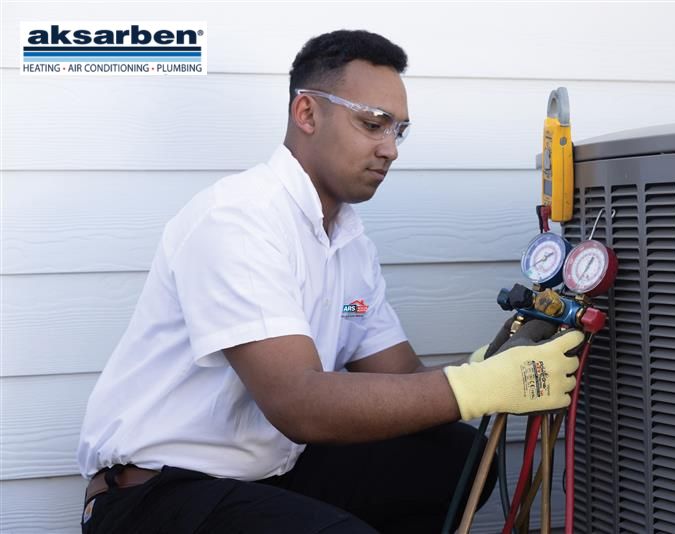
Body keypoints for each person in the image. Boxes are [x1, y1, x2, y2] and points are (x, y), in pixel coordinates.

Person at [77, 29, 584, 533]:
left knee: (455, 459)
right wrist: (478, 387)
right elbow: (299, 404)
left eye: (398, 131)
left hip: (269, 473)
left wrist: (491, 362)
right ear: (307, 114)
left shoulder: (347, 241)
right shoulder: (238, 219)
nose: (391, 150)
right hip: (157, 495)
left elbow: (400, 377)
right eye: (373, 124)